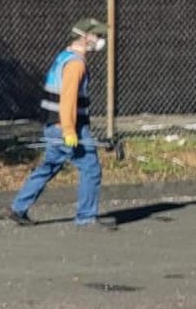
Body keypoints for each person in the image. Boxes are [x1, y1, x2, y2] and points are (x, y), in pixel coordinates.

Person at [8, 18, 116, 229]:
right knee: (91, 168)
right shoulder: (76, 64)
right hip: (69, 126)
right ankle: (86, 217)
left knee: (50, 166)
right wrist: (69, 130)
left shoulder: (63, 57)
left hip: (53, 124)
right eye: (98, 36)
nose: (101, 40)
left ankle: (18, 207)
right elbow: (68, 99)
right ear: (86, 37)